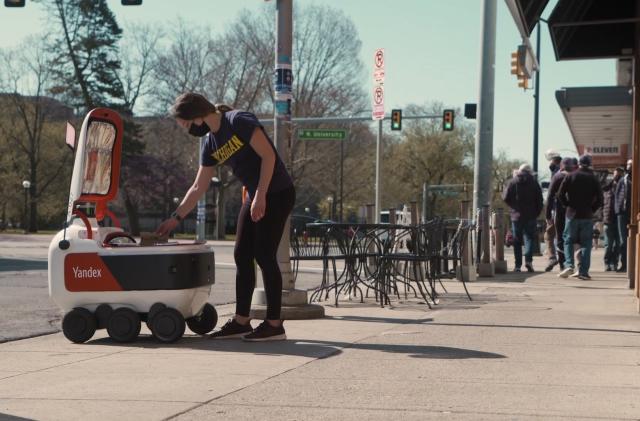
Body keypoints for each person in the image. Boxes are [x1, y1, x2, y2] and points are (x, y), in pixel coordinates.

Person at [156, 93, 295, 342]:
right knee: (242, 254)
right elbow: (199, 186)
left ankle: (275, 325)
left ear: (196, 115)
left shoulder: (238, 120)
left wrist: (261, 195)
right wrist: (175, 219)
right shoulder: (210, 143)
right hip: (255, 194)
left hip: (277, 192)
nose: (188, 130)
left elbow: (268, 156)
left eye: (186, 125)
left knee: (264, 255)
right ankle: (241, 321)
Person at [557, 154, 603, 280]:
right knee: (586, 243)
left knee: (568, 240)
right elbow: (600, 199)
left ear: (578, 164)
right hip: (587, 215)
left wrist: (568, 205)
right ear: (590, 164)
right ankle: (583, 272)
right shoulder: (594, 178)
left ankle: (569, 265)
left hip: (572, 214)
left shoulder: (570, 176)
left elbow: (560, 194)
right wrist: (591, 210)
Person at [503, 164, 544, 272]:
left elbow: (505, 197)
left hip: (516, 215)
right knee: (529, 238)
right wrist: (537, 212)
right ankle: (528, 261)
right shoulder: (534, 183)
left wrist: (513, 206)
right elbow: (540, 200)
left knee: (517, 240)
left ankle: (517, 266)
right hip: (531, 215)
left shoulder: (512, 182)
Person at [545, 157, 575, 271]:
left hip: (560, 209)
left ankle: (563, 263)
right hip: (574, 210)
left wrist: (548, 215)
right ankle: (570, 262)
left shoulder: (557, 177)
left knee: (560, 236)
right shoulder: (575, 176)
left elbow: (550, 196)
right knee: (571, 237)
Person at [543, 149, 563, 271]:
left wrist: (548, 214)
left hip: (557, 208)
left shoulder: (556, 172)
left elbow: (552, 194)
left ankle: (553, 257)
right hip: (569, 209)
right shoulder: (567, 170)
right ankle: (565, 262)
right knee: (563, 236)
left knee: (549, 235)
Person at [603, 167, 623, 271]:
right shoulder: (607, 188)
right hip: (608, 219)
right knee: (608, 244)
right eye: (616, 174)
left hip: (619, 219)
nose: (617, 177)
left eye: (619, 175)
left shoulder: (623, 187)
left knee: (617, 244)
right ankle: (607, 263)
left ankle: (614, 263)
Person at [614, 159, 632, 272]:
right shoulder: (623, 179)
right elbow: (617, 196)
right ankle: (624, 264)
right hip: (622, 212)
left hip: (634, 212)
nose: (629, 166)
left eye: (631, 164)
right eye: (628, 164)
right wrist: (618, 210)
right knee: (623, 240)